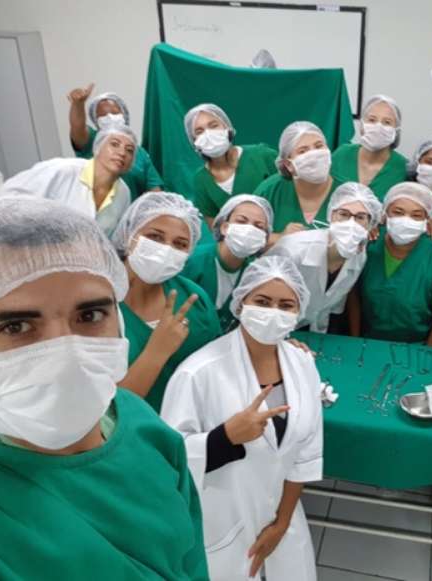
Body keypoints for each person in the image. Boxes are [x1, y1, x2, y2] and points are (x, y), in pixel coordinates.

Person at [0, 197, 208, 579]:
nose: (66, 354)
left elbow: (191, 559)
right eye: (17, 326)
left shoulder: (143, 425)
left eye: (90, 315)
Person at [161, 256, 322, 581]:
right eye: (262, 301)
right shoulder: (198, 373)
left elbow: (305, 453)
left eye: (286, 305)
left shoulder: (302, 364)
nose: (273, 312)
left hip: (282, 517)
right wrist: (224, 437)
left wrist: (281, 524)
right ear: (240, 303)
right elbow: (168, 460)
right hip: (221, 524)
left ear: (298, 312)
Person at [112, 192, 221, 413]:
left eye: (180, 244)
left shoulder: (193, 298)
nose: (166, 249)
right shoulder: (96, 305)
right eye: (155, 237)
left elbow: (218, 365)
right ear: (129, 234)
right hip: (129, 430)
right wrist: (157, 351)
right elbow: (108, 411)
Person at [266, 182, 382, 333]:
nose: (351, 224)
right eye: (344, 214)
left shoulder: (359, 256)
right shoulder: (292, 249)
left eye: (360, 217)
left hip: (312, 330)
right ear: (331, 216)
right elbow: (263, 302)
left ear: (370, 225)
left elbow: (329, 307)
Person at [353, 182, 432, 345]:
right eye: (398, 212)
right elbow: (353, 297)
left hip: (417, 345)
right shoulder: (370, 244)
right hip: (366, 340)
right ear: (384, 214)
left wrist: (425, 354)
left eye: (416, 215)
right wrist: (355, 340)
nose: (405, 220)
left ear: (428, 220)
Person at [0, 126, 136, 235]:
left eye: (129, 150)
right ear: (98, 148)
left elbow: (113, 238)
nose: (122, 153)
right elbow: (9, 197)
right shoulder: (63, 170)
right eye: (114, 144)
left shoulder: (123, 193)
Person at [182, 194, 274, 329]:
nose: (249, 230)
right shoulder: (193, 260)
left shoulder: (255, 273)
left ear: (264, 238)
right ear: (224, 227)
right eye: (241, 221)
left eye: (258, 226)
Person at [184, 103, 277, 224]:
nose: (208, 134)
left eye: (213, 126)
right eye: (199, 131)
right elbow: (216, 227)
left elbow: (290, 193)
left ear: (227, 128)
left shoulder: (262, 156)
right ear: (194, 142)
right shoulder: (201, 180)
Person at [67, 85, 164, 199]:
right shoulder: (92, 142)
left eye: (114, 113)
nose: (110, 117)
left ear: (124, 115)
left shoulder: (140, 153)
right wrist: (78, 104)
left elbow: (155, 190)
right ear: (96, 121)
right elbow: (77, 127)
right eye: (103, 116)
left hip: (131, 209)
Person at [255, 121, 344, 238]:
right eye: (303, 151)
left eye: (318, 146)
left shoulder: (346, 192)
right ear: (288, 164)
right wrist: (280, 237)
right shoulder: (270, 191)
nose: (314, 155)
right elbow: (249, 237)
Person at [330, 94, 407, 200]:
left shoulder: (403, 168)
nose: (378, 126)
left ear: (396, 130)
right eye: (372, 120)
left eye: (387, 122)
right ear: (362, 125)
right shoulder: (342, 155)